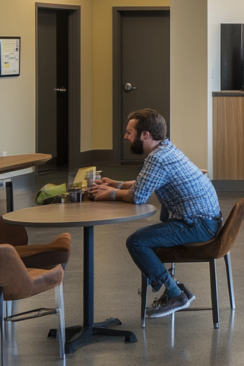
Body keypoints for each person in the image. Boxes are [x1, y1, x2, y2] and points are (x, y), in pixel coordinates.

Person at [85, 109, 221, 318]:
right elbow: (148, 182)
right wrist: (116, 184)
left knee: (137, 242)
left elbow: (137, 196)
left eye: (130, 132)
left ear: (145, 135)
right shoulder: (166, 149)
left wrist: (109, 194)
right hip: (207, 222)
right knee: (155, 227)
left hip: (198, 226)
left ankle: (174, 294)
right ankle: (171, 285)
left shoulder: (158, 158)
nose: (126, 136)